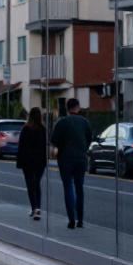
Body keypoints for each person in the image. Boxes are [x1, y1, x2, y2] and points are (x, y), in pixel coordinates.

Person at [49, 98, 93, 230]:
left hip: (65, 159)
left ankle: (71, 219)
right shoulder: (84, 122)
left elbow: (53, 140)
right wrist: (83, 149)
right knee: (79, 189)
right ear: (77, 107)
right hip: (80, 159)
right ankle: (80, 219)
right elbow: (89, 138)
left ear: (67, 109)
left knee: (68, 187)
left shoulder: (62, 122)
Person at [16, 107, 48, 221]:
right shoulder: (43, 129)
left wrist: (19, 162)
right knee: (37, 184)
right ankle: (37, 208)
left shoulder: (26, 129)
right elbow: (45, 147)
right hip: (40, 161)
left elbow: (21, 146)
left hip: (28, 161)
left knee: (31, 185)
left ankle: (34, 208)